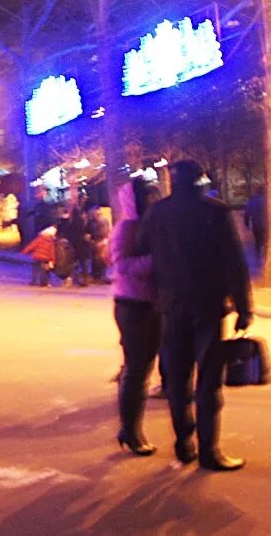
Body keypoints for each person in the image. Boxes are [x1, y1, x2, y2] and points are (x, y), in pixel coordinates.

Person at [132, 159, 254, 472]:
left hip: (171, 307)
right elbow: (234, 263)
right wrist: (243, 307)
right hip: (209, 306)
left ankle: (184, 443)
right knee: (209, 381)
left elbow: (141, 248)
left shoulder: (157, 214)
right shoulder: (215, 211)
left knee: (177, 379)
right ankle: (210, 450)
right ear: (199, 181)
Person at [110, 174, 162, 456]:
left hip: (154, 304)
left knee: (145, 367)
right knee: (136, 370)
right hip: (132, 304)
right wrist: (157, 260)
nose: (153, 202)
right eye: (149, 197)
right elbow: (123, 265)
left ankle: (130, 428)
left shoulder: (154, 227)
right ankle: (130, 430)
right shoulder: (126, 228)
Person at [243, 186, 267, 264]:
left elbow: (247, 213)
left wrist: (246, 223)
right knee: (266, 241)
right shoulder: (267, 200)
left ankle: (258, 257)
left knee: (258, 242)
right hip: (266, 225)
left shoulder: (252, 201)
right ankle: (266, 257)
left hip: (256, 225)